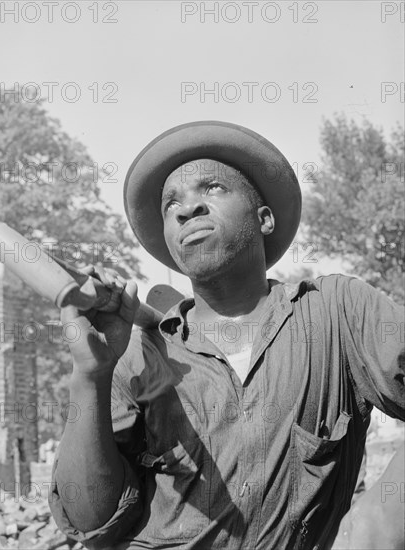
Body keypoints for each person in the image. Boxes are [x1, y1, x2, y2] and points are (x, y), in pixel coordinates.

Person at [49, 122, 404, 550]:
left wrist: (370, 528)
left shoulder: (337, 312)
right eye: (170, 205)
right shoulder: (137, 354)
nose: (186, 209)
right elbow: (90, 522)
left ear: (264, 218)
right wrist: (91, 374)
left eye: (212, 188)